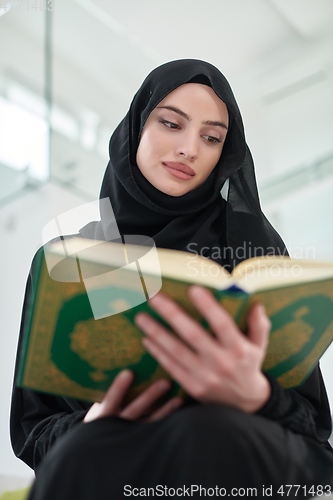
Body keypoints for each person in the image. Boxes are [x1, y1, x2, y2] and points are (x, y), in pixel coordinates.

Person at [10, 59, 333, 499]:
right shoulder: (72, 259)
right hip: (113, 457)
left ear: (226, 152)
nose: (189, 149)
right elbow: (35, 430)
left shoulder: (252, 244)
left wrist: (256, 394)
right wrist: (96, 418)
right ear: (137, 126)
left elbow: (312, 430)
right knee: (82, 453)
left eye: (211, 137)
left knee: (208, 432)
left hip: (235, 453)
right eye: (171, 123)